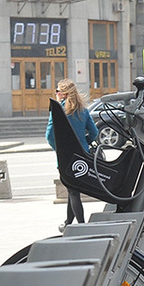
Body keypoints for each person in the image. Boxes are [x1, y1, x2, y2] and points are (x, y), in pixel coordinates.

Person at [45, 79, 99, 231]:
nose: (56, 94)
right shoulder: (83, 110)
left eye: (57, 91)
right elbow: (94, 133)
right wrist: (84, 144)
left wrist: (59, 149)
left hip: (65, 157)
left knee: (73, 192)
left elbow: (49, 135)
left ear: (62, 94)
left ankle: (82, 226)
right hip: (82, 155)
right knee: (73, 189)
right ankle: (68, 222)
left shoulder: (58, 111)